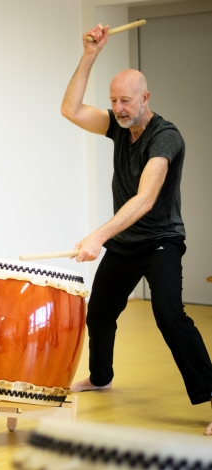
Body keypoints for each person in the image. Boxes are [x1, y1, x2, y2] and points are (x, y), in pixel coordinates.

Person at [61, 24, 212, 435]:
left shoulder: (166, 137)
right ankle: (101, 376)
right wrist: (90, 53)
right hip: (126, 243)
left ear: (145, 98)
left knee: (168, 313)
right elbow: (71, 110)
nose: (119, 108)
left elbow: (146, 199)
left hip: (161, 240)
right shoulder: (118, 126)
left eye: (125, 100)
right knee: (101, 312)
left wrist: (98, 236)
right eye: (114, 101)